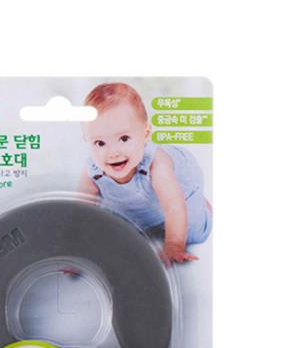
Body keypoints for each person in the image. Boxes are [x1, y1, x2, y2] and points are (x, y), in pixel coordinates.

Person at [79, 82, 212, 263]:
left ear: (146, 133)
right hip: (136, 203)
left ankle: (204, 207)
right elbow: (82, 215)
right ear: (86, 141)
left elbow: (174, 206)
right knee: (126, 233)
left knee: (193, 233)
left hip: (179, 189)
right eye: (100, 143)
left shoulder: (157, 164)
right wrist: (76, 250)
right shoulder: (93, 173)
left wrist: (174, 245)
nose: (113, 152)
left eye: (124, 138)